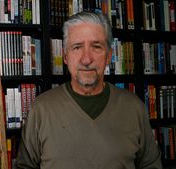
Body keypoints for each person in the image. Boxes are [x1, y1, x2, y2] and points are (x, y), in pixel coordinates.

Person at [15, 11, 162, 169]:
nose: (86, 59)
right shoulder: (41, 109)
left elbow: (151, 165)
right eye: (77, 47)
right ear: (65, 56)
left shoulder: (134, 107)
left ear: (109, 56)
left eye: (96, 47)